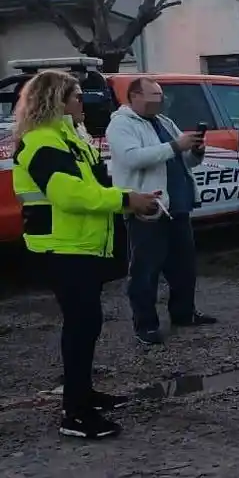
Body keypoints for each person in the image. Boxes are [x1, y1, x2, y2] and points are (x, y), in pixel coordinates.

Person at [12, 70, 159, 438]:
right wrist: (126, 200)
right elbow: (70, 195)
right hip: (61, 248)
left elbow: (94, 186)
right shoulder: (43, 142)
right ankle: (75, 414)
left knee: (87, 324)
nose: (85, 102)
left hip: (79, 245)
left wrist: (128, 204)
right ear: (56, 101)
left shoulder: (70, 137)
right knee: (81, 325)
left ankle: (83, 394)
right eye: (77, 96)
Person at [106, 77, 217, 346]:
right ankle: (145, 325)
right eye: (153, 95)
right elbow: (132, 158)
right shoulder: (121, 124)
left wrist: (194, 152)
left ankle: (183, 313)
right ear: (134, 96)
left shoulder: (164, 122)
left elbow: (183, 160)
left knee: (183, 267)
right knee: (146, 270)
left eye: (160, 95)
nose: (160, 99)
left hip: (177, 206)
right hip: (148, 207)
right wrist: (175, 146)